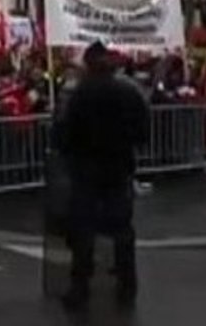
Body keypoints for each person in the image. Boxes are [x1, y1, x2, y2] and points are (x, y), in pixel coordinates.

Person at [57, 41, 150, 312]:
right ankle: (127, 284)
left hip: (85, 167)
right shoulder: (128, 90)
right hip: (118, 166)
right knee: (122, 228)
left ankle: (80, 287)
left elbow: (65, 131)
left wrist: (70, 153)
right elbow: (143, 129)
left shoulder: (80, 92)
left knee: (83, 228)